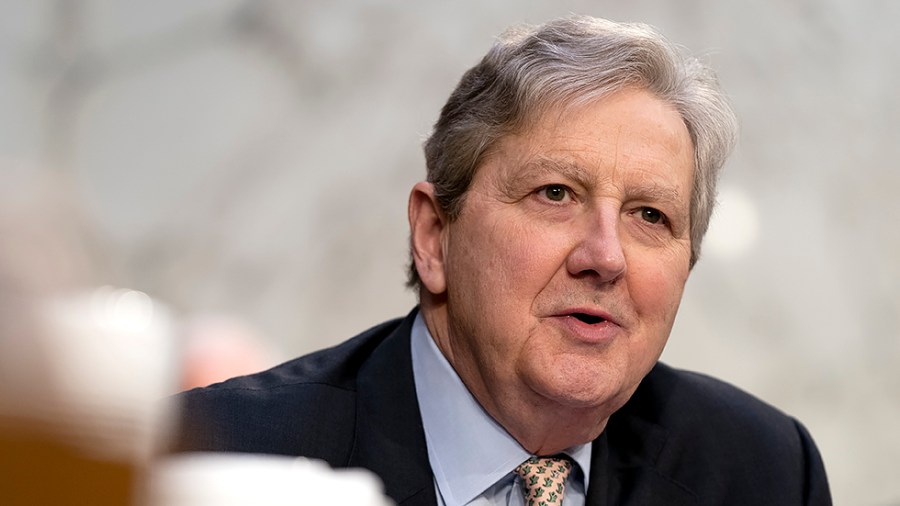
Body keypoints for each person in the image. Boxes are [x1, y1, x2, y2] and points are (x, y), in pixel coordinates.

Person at [174, 16, 832, 505]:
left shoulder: (765, 471)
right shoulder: (214, 454)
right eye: (556, 194)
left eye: (649, 216)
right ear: (435, 237)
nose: (605, 257)